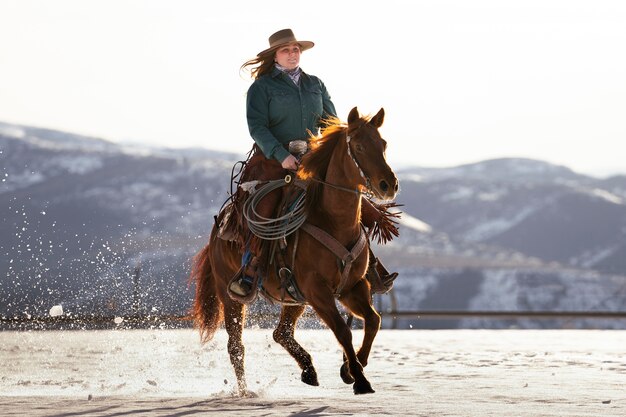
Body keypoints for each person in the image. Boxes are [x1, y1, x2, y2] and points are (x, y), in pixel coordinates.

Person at [227, 28, 397, 299]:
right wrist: (281, 155)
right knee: (266, 208)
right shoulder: (261, 88)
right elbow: (257, 126)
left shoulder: (315, 84)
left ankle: (370, 267)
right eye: (286, 50)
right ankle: (250, 270)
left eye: (296, 49)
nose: (292, 54)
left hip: (311, 161)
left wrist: (333, 150)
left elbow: (330, 122)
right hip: (271, 162)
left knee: (352, 205)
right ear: (275, 56)